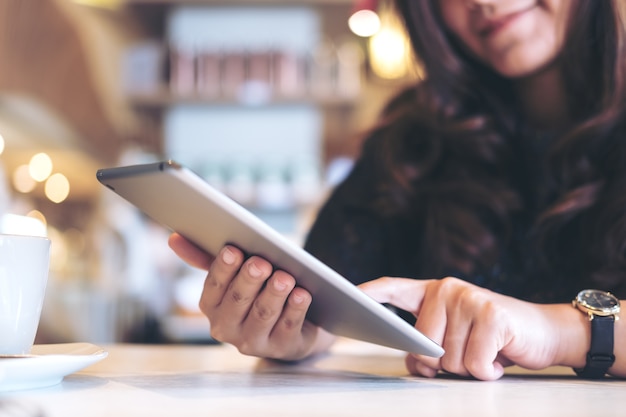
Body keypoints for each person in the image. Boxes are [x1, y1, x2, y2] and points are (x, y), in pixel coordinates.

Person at [168, 0, 626, 381]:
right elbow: (332, 290)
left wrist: (561, 331)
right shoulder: (415, 138)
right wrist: (296, 331)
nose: (484, 2)